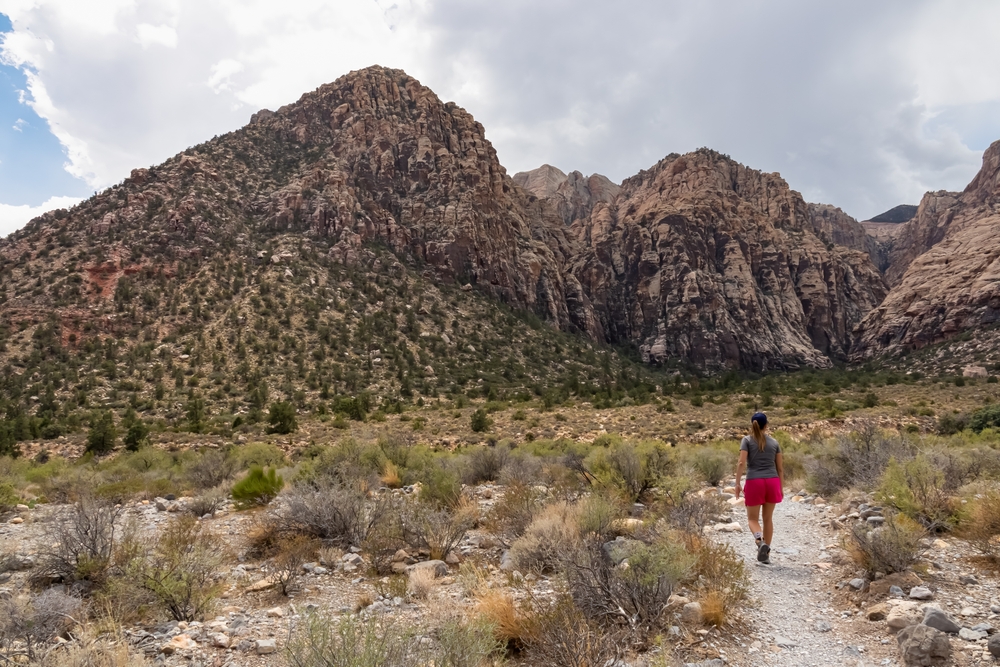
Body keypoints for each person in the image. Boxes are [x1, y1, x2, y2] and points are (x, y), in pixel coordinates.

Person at [734, 412, 783, 564]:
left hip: (755, 482)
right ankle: (766, 553)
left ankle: (759, 541)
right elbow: (780, 468)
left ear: (752, 424)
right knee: (768, 519)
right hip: (772, 481)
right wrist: (780, 487)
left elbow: (741, 463)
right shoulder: (775, 443)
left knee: (752, 518)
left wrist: (737, 483)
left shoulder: (746, 440)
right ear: (766, 425)